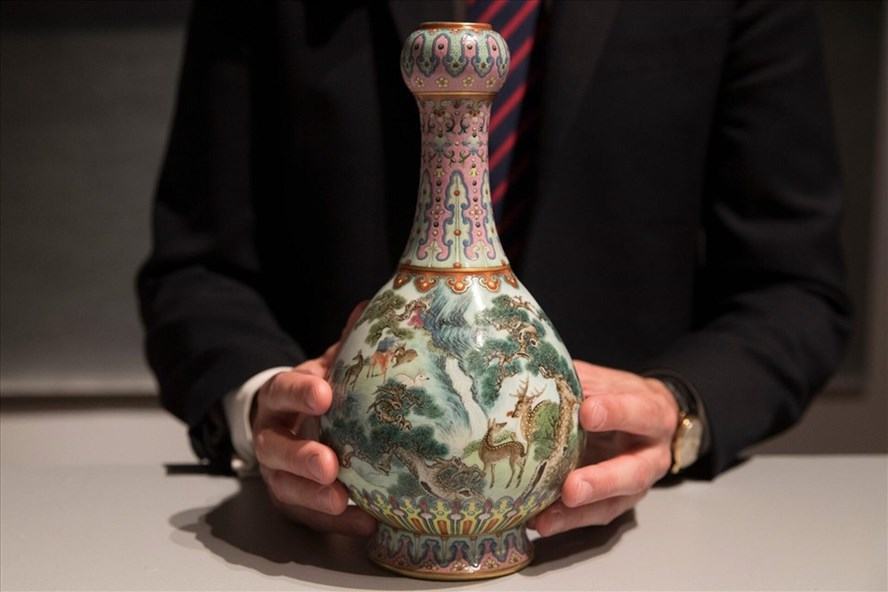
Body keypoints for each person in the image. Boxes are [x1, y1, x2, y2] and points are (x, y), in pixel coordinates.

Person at [138, 1, 849, 538]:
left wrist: (679, 411)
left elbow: (795, 288)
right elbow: (195, 268)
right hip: (326, 540)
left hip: (638, 545)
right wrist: (263, 408)